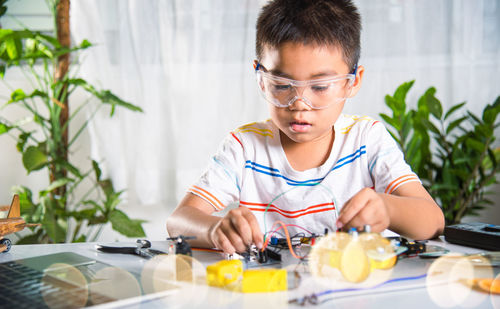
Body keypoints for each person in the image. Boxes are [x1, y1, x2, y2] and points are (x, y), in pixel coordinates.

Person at [166, 0, 444, 254]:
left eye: (320, 87)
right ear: (261, 78)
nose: (300, 104)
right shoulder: (244, 147)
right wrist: (214, 229)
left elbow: (433, 221)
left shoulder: (367, 140)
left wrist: (388, 208)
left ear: (353, 81)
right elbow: (178, 221)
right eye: (282, 86)